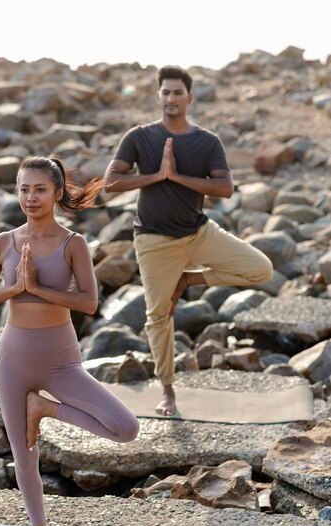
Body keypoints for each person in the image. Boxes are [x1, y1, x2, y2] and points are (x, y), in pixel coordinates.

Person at [0, 155, 139, 526]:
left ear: (58, 193)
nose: (30, 197)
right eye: (23, 188)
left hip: (62, 361)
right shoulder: (5, 242)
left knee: (126, 429)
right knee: (24, 453)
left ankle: (45, 408)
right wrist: (15, 290)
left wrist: (38, 289)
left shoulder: (72, 243)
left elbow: (90, 303)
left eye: (40, 189)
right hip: (13, 360)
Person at [103, 65, 273, 417]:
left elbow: (224, 188)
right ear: (158, 96)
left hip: (198, 233)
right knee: (158, 317)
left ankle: (188, 279)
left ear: (189, 97)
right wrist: (156, 176)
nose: (171, 98)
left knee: (261, 269)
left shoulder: (206, 141)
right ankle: (168, 390)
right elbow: (111, 182)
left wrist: (178, 177)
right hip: (153, 240)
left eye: (177, 92)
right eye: (165, 92)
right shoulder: (139, 136)